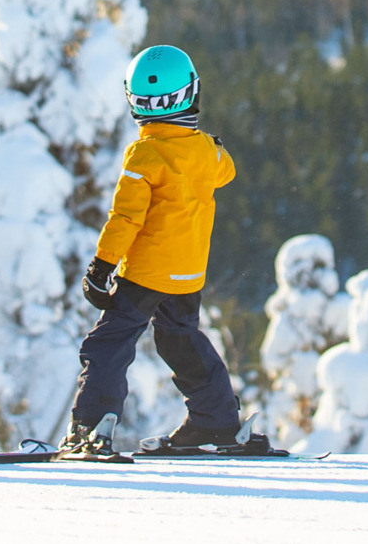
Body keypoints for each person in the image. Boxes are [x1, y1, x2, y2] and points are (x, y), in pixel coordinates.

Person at [59, 45, 254, 458]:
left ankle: (91, 427)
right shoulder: (206, 151)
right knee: (180, 339)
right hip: (188, 275)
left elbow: (124, 218)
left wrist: (101, 267)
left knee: (109, 343)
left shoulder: (143, 154)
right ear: (192, 93)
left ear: (134, 102)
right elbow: (228, 170)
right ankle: (215, 419)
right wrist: (209, 144)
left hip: (145, 274)